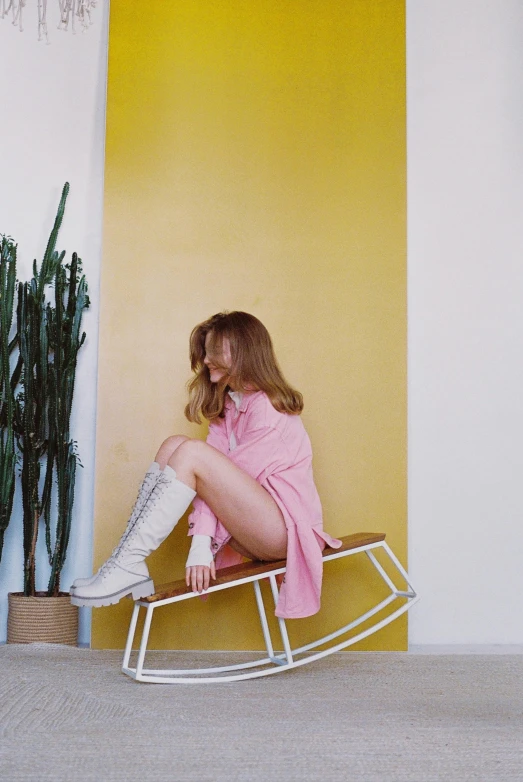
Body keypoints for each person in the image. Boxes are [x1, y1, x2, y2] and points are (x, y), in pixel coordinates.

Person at [71, 311, 341, 618]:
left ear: (244, 353)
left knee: (192, 453)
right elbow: (213, 484)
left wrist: (200, 545)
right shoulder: (230, 405)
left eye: (214, 351)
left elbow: (216, 480)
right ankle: (124, 561)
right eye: (206, 350)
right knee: (174, 446)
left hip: (284, 532)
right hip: (249, 526)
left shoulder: (268, 411)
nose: (206, 358)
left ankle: (127, 565)